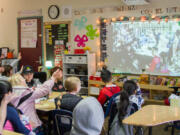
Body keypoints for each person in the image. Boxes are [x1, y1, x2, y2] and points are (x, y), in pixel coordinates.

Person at [8, 69, 61, 135]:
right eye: (23, 79)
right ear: (20, 82)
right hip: (30, 127)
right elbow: (44, 90)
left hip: (15, 127)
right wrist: (53, 77)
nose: (24, 80)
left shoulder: (8, 93)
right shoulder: (27, 93)